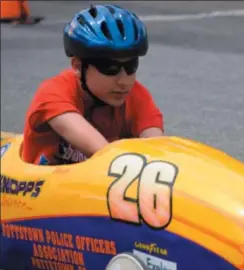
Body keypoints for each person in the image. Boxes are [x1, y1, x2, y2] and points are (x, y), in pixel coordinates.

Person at [21, 4, 164, 165]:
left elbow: (157, 151)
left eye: (131, 66)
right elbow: (105, 153)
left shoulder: (136, 95)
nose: (124, 81)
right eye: (110, 68)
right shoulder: (53, 93)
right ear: (77, 66)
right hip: (41, 185)